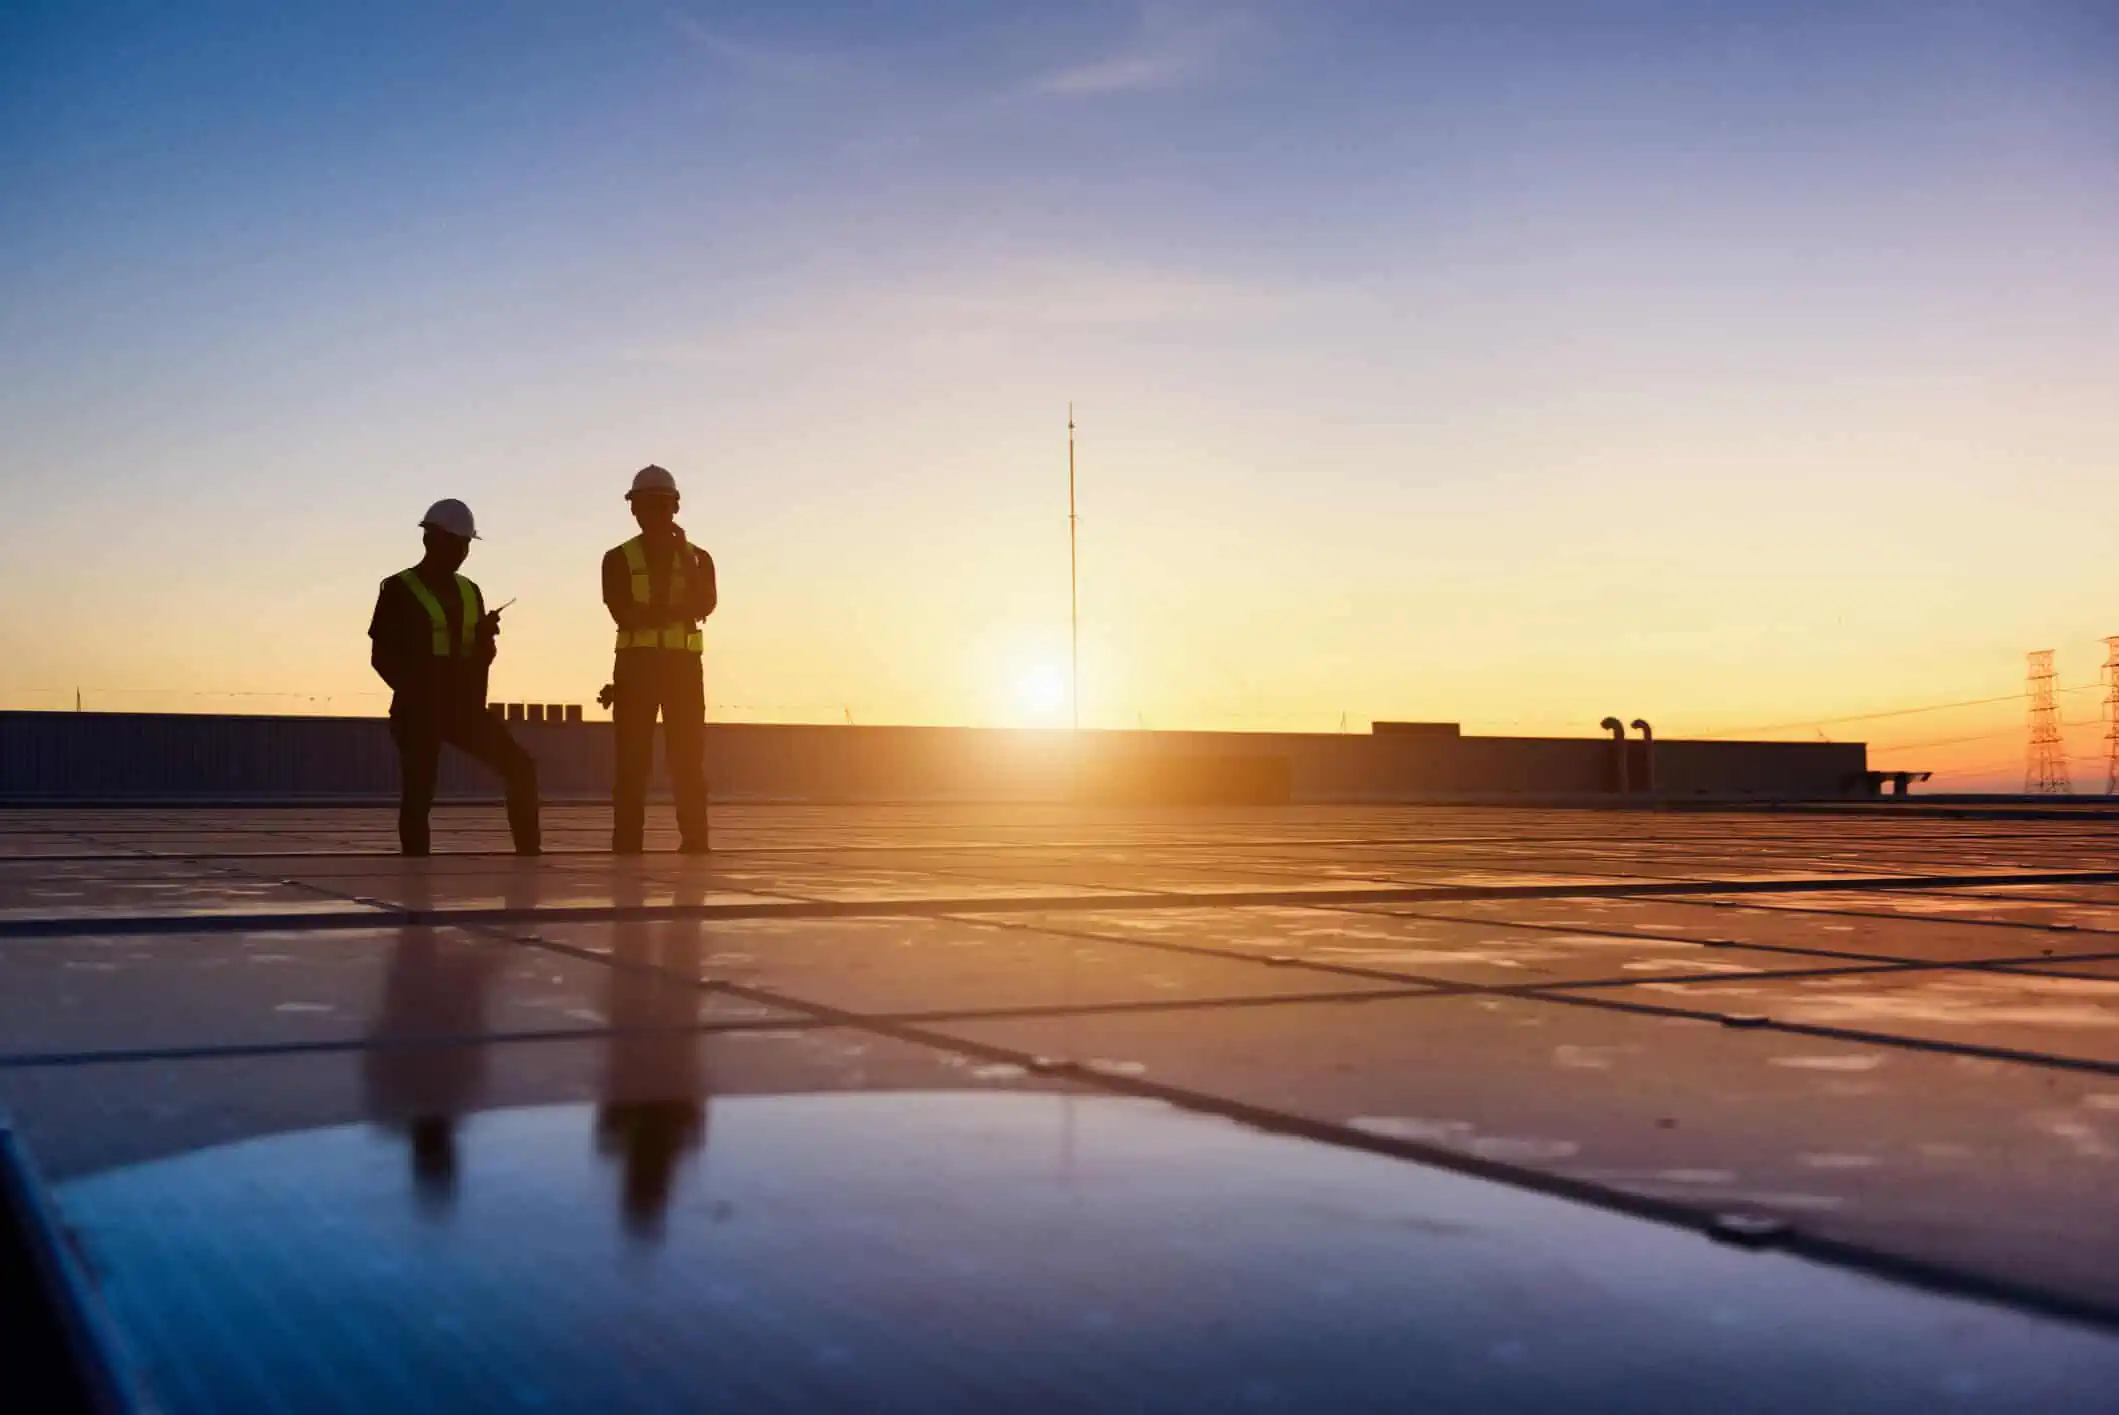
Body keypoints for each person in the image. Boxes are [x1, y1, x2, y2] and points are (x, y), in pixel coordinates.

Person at [368, 498, 541, 856]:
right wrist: (416, 693)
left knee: (521, 767)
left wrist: (484, 640)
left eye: (465, 545)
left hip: (462, 707)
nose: (462, 553)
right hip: (418, 709)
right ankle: (415, 871)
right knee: (419, 789)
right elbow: (381, 657)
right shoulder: (398, 588)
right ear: (431, 540)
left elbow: (479, 659)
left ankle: (530, 854)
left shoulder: (469, 591)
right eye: (456, 543)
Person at [602, 465, 717, 854]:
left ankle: (694, 841)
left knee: (684, 759)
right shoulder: (618, 558)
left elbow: (706, 604)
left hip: (679, 671)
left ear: (674, 508)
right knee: (637, 760)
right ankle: (629, 842)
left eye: (659, 505)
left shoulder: (697, 559)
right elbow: (624, 613)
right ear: (636, 510)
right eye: (648, 505)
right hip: (639, 669)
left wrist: (659, 607)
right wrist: (676, 609)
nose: (653, 513)